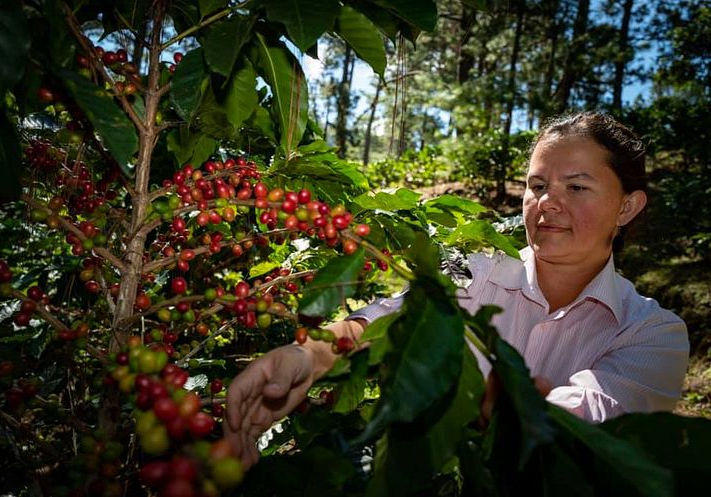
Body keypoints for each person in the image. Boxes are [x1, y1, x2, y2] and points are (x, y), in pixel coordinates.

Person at [224, 112, 690, 469]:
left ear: (627, 206)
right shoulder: (479, 272)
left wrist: (519, 409)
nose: (547, 203)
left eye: (577, 186)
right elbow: (393, 314)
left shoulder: (653, 335)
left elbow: (593, 416)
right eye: (537, 185)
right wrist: (311, 357)